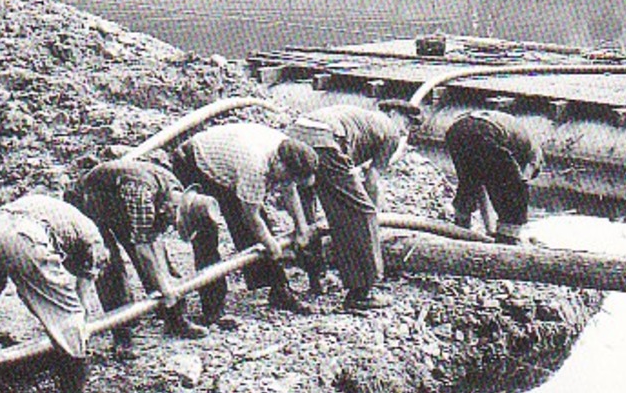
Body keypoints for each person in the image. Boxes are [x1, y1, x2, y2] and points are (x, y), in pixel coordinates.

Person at [0, 194, 110, 393]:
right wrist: (76, 328)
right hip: (24, 237)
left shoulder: (65, 217)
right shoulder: (94, 241)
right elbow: (82, 296)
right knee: (69, 316)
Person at [167, 123, 319, 316]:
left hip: (226, 164)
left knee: (256, 228)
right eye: (286, 176)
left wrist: (301, 228)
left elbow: (290, 191)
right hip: (194, 163)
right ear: (280, 163)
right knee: (206, 234)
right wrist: (272, 246)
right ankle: (213, 309)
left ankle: (279, 290)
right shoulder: (255, 165)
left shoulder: (285, 150)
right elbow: (252, 218)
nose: (284, 182)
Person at [66, 158, 223, 339]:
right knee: (109, 265)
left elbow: (153, 242)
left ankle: (176, 320)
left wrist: (167, 284)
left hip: (120, 202)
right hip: (88, 201)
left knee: (160, 258)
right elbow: (144, 250)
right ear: (172, 208)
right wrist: (165, 288)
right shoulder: (143, 195)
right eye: (175, 221)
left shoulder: (173, 187)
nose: (172, 226)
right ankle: (123, 335)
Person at [284, 102, 416, 312]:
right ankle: (361, 292)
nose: (405, 131)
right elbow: (372, 179)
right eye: (407, 123)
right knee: (358, 213)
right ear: (393, 113)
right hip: (324, 140)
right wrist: (371, 215)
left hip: (294, 137)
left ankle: (315, 278)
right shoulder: (391, 131)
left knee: (307, 215)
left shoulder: (362, 118)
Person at [444, 109, 544, 244]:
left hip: (457, 130)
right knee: (515, 190)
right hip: (485, 130)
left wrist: (489, 229)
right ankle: (508, 239)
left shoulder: (516, 141)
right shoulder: (534, 153)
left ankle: (461, 224)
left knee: (470, 180)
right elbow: (522, 181)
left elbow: (482, 186)